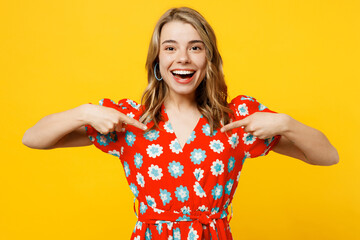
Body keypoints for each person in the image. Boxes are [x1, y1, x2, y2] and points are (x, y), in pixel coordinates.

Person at [22, 7, 339, 240]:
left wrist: (284, 123)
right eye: (170, 48)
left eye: (195, 47)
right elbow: (33, 138)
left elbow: (328, 156)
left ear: (208, 59)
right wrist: (85, 113)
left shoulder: (237, 119)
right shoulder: (130, 121)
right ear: (157, 60)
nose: (183, 58)